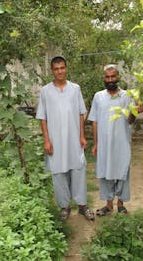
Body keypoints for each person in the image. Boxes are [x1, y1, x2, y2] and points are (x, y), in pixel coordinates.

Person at [36, 56, 94, 221]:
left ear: (66, 68)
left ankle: (82, 206)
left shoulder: (75, 88)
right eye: (56, 68)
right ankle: (65, 206)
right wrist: (46, 140)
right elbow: (42, 117)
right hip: (55, 141)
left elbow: (80, 113)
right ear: (52, 71)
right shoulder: (45, 91)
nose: (60, 71)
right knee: (58, 172)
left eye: (62, 68)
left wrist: (82, 136)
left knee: (78, 170)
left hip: (74, 139)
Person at [88, 64, 143, 216]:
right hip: (104, 144)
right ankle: (108, 204)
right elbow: (94, 121)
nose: (110, 79)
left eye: (113, 76)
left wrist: (135, 112)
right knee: (104, 173)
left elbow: (130, 120)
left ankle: (120, 204)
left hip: (122, 142)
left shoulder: (127, 96)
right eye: (108, 77)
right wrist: (96, 143)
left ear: (118, 78)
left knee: (122, 171)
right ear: (103, 78)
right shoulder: (98, 96)